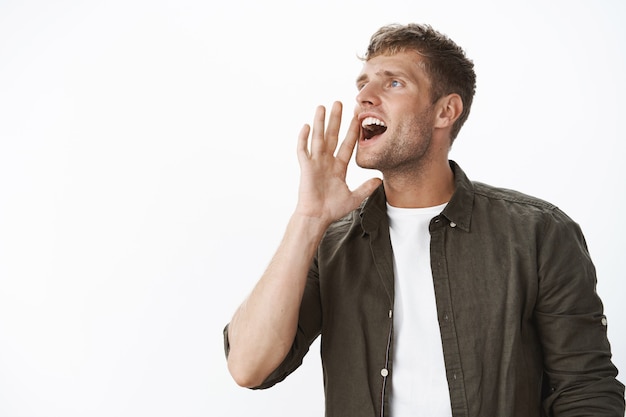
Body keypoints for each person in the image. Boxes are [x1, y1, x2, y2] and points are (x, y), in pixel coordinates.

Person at [223, 23, 625, 416]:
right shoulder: (329, 242)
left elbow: (586, 391)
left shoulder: (538, 233)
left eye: (393, 82)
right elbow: (248, 367)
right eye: (362, 84)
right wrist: (308, 219)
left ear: (445, 111)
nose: (365, 96)